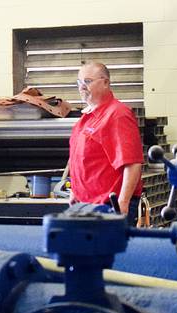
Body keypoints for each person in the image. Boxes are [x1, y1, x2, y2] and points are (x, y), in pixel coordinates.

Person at [66, 61, 143, 225]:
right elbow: (81, 160)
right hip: (85, 205)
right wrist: (75, 191)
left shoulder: (118, 115)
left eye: (87, 81)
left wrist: (123, 202)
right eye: (79, 82)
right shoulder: (85, 119)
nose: (82, 87)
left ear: (106, 82)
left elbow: (133, 163)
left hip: (109, 208)